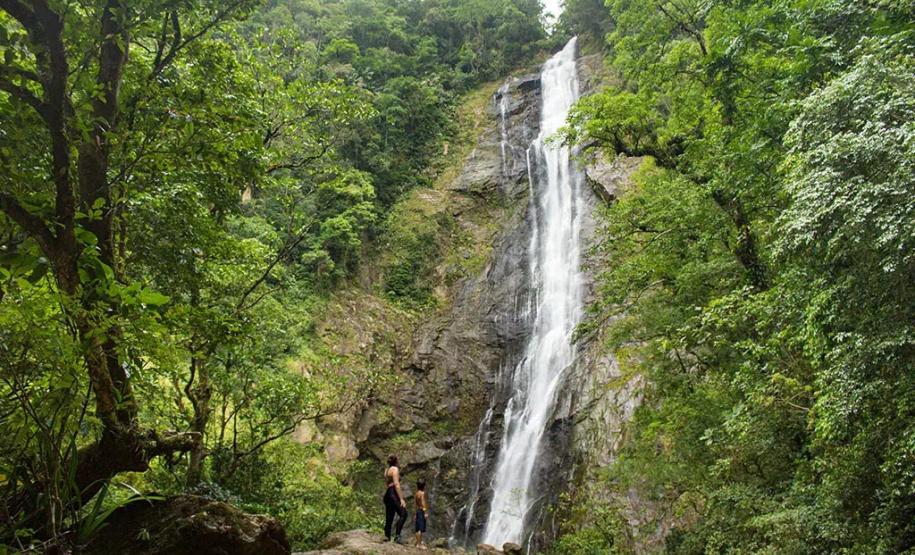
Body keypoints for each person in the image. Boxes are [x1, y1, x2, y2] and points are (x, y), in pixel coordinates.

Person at [383, 454, 407, 542]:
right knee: (404, 514)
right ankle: (397, 536)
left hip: (387, 494)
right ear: (396, 461)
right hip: (393, 492)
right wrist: (401, 498)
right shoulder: (395, 469)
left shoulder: (386, 471)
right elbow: (396, 484)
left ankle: (387, 537)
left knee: (389, 517)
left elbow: (387, 483)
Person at [414, 479, 429, 549]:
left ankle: (417, 543)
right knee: (420, 528)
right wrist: (425, 512)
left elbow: (415, 504)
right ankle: (419, 544)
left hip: (417, 510)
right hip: (421, 511)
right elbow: (423, 503)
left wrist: (414, 513)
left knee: (417, 528)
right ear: (424, 486)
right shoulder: (422, 493)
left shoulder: (417, 493)